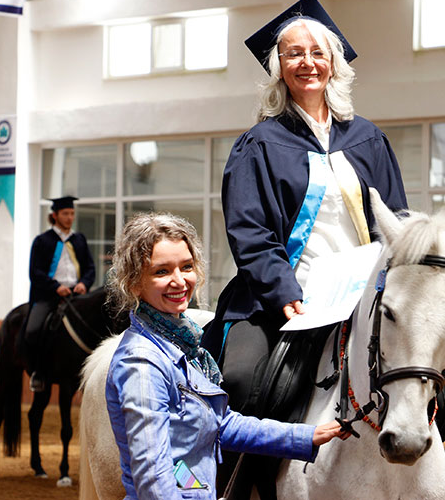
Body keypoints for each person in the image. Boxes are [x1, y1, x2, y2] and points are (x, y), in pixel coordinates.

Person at [202, 0, 408, 414]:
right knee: (240, 381)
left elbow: (397, 220)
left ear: (333, 63)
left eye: (317, 52)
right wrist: (282, 291)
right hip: (279, 299)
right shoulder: (258, 145)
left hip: (359, 296)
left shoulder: (368, 139)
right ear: (279, 69)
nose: (307, 62)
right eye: (294, 54)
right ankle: (231, 481)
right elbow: (249, 231)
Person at [105, 212, 350, 500]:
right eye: (162, 272)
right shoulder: (143, 364)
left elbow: (219, 424)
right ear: (134, 283)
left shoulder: (179, 343)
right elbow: (153, 476)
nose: (180, 281)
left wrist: (306, 436)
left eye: (186, 267)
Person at [24, 195, 95, 392]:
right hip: (50, 295)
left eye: (72, 213)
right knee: (33, 329)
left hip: (76, 294)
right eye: (65, 214)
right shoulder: (42, 241)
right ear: (54, 215)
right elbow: (35, 272)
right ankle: (38, 371)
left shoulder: (79, 240)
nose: (70, 217)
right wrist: (55, 286)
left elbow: (90, 268)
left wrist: (84, 284)